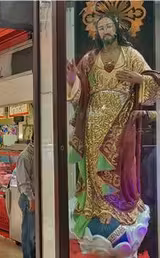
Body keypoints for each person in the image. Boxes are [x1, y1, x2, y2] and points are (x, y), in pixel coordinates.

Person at [66, 15, 156, 255]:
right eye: (101, 27)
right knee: (92, 161)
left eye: (108, 26)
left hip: (121, 119)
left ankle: (118, 205)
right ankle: (96, 206)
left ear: (117, 28)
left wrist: (139, 80)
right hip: (94, 119)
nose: (105, 30)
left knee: (119, 162)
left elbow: (153, 83)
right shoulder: (89, 59)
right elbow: (80, 95)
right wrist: (73, 80)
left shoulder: (132, 56)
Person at [14, 137, 35, 258]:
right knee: (29, 235)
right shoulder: (25, 156)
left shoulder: (39, 153)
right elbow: (23, 182)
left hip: (36, 198)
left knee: (35, 234)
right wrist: (31, 199)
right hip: (28, 200)